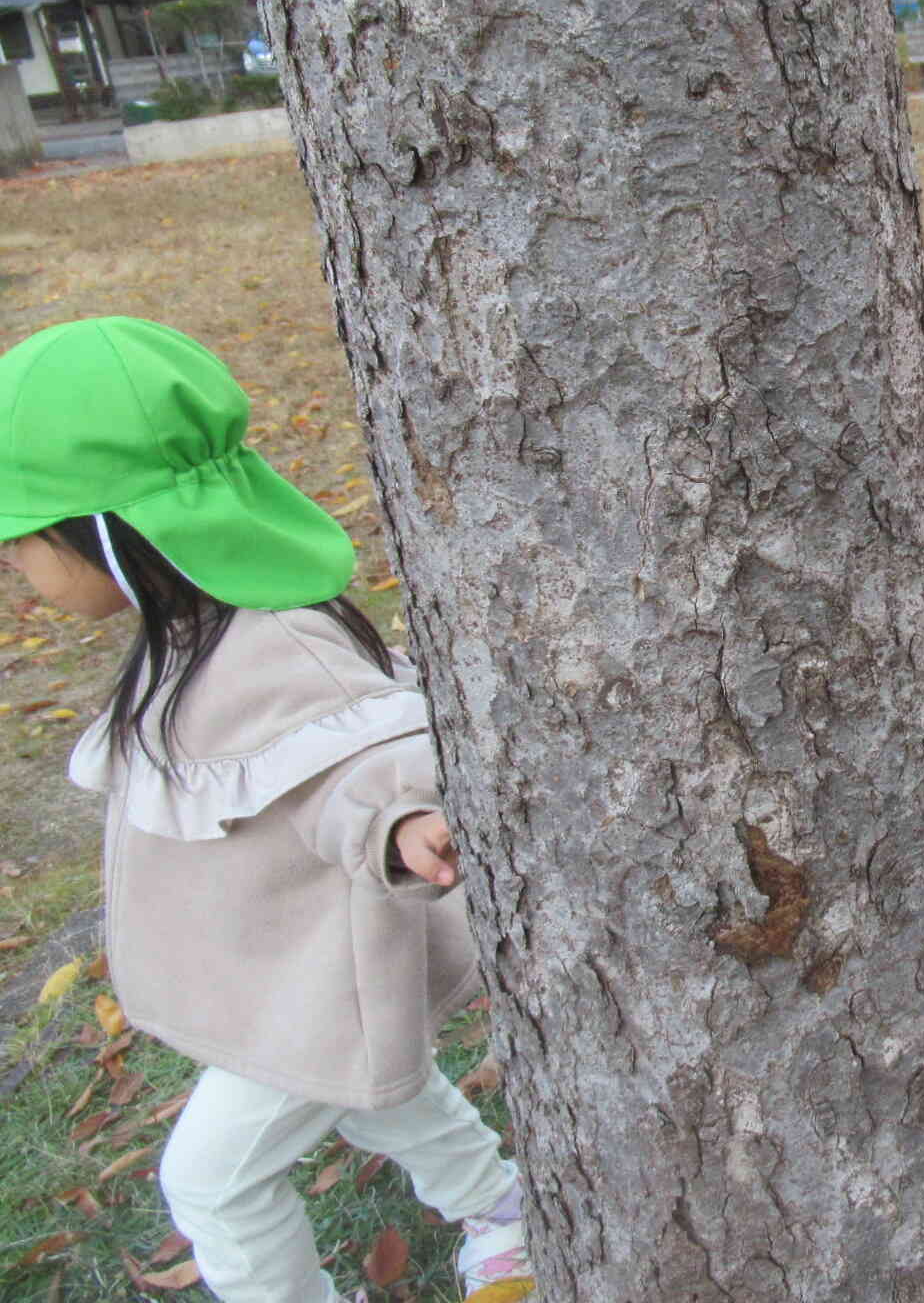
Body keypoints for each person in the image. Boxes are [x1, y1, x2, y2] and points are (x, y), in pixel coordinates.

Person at [0, 317, 532, 1303]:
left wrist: (400, 825)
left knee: (211, 1182)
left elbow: (368, 753)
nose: (19, 574)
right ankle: (504, 1212)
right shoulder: (195, 621)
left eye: (24, 544)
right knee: (378, 1095)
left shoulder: (274, 637)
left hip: (316, 976)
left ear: (108, 530)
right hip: (287, 969)